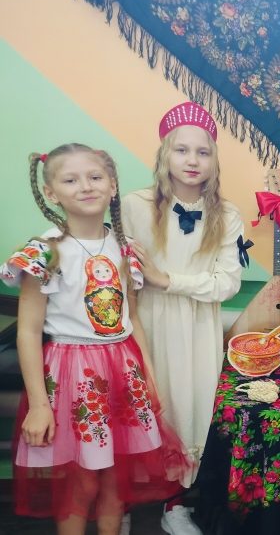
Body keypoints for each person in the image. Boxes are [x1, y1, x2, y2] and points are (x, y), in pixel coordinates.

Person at [1, 144, 188, 535]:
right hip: (73, 378)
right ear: (51, 192)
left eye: (95, 177)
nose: (85, 186)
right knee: (81, 481)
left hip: (123, 373)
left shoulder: (126, 248)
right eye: (71, 180)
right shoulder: (45, 253)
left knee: (116, 481)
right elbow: (29, 331)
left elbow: (132, 318)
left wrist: (149, 377)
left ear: (113, 185)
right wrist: (39, 405)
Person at [122, 101, 244, 535]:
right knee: (140, 410)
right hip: (145, 323)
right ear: (165, 155)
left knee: (188, 413)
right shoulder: (133, 206)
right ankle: (122, 502)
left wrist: (167, 279)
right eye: (182, 150)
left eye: (203, 152)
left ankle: (174, 505)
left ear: (214, 160)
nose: (192, 160)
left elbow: (227, 282)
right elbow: (119, 272)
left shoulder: (227, 215)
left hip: (196, 328)